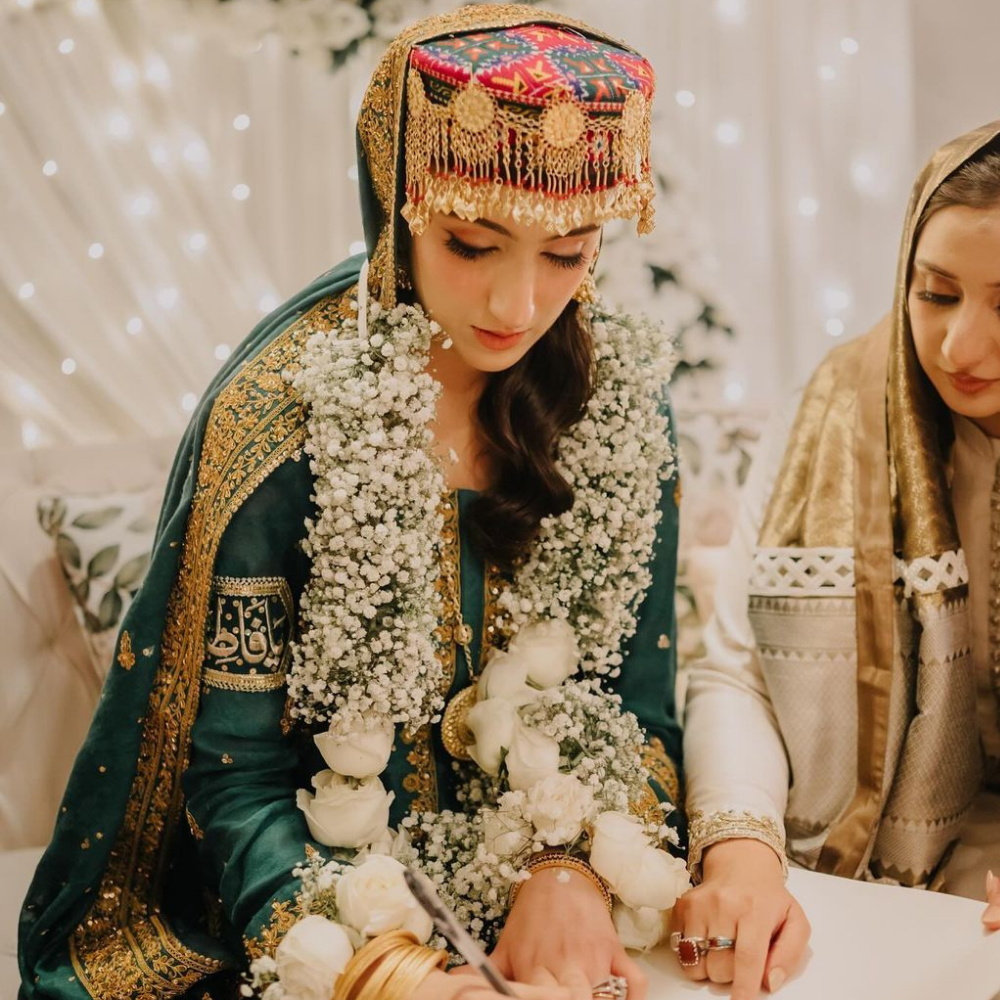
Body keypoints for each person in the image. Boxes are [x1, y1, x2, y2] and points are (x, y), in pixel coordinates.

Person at [19, 7, 686, 1000]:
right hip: (305, 915)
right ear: (396, 197)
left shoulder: (613, 396)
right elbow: (232, 776)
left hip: (555, 919)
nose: (517, 306)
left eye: (568, 252)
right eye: (472, 242)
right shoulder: (280, 416)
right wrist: (383, 968)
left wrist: (568, 865)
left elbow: (630, 702)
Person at [677, 121, 1000, 1000]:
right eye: (935, 295)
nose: (960, 350)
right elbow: (735, 671)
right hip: (852, 877)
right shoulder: (835, 406)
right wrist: (742, 851)